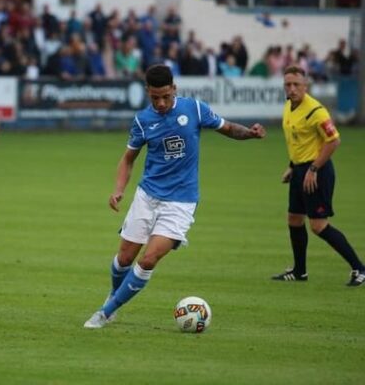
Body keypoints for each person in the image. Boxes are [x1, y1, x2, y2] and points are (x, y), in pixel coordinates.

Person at [83, 64, 266, 329]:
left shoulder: (195, 109)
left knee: (148, 259)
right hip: (147, 197)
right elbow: (128, 160)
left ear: (174, 89)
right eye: (154, 97)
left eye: (165, 97)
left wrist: (249, 133)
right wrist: (119, 189)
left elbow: (227, 128)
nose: (160, 103)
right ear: (147, 92)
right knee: (124, 259)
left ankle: (105, 312)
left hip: (181, 202)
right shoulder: (142, 121)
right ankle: (114, 294)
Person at [271, 65, 365, 286]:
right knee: (294, 219)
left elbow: (333, 141)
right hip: (300, 170)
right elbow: (299, 141)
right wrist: (292, 166)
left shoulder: (316, 111)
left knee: (318, 225)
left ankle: (359, 268)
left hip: (317, 172)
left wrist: (313, 169)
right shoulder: (289, 105)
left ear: (306, 86)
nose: (292, 89)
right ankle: (299, 271)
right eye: (288, 84)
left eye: (296, 85)